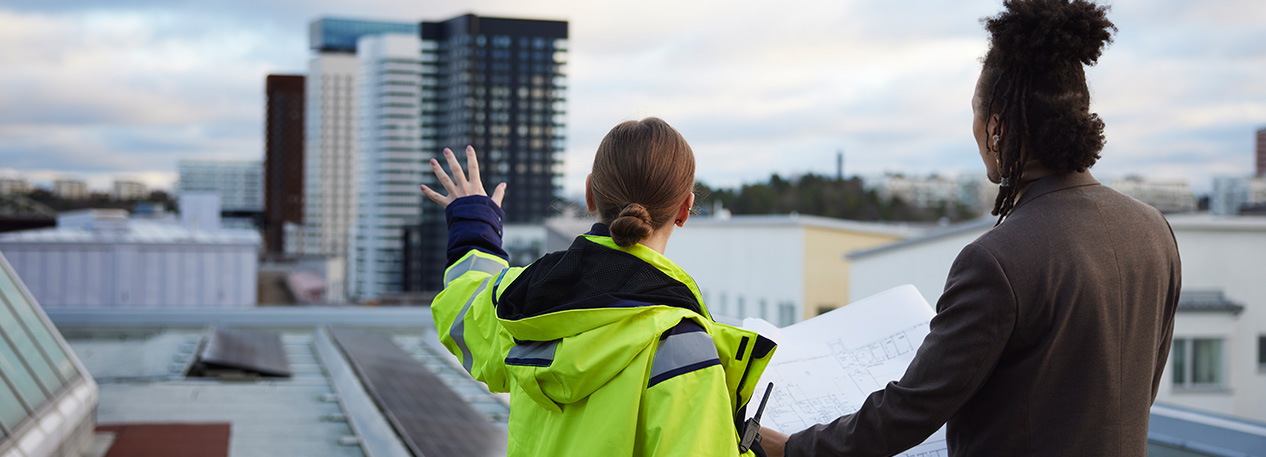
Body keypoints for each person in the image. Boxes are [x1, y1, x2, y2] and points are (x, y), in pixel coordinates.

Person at [762, 0, 1181, 456]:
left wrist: (790, 449)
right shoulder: (1154, 231)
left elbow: (908, 412)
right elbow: (1140, 389)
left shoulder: (998, 261)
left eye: (976, 113)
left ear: (996, 129)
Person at [422, 117, 777, 456]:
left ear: (590, 194)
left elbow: (463, 306)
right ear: (685, 208)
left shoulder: (520, 299)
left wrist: (474, 222)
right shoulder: (683, 349)